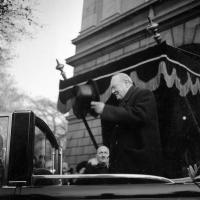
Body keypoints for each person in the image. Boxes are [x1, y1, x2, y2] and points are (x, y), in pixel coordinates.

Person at [91, 73, 163, 175]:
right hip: (125, 165)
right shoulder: (121, 103)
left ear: (126, 83)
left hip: (138, 165)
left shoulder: (144, 94)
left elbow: (137, 115)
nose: (112, 92)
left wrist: (105, 109)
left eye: (114, 87)